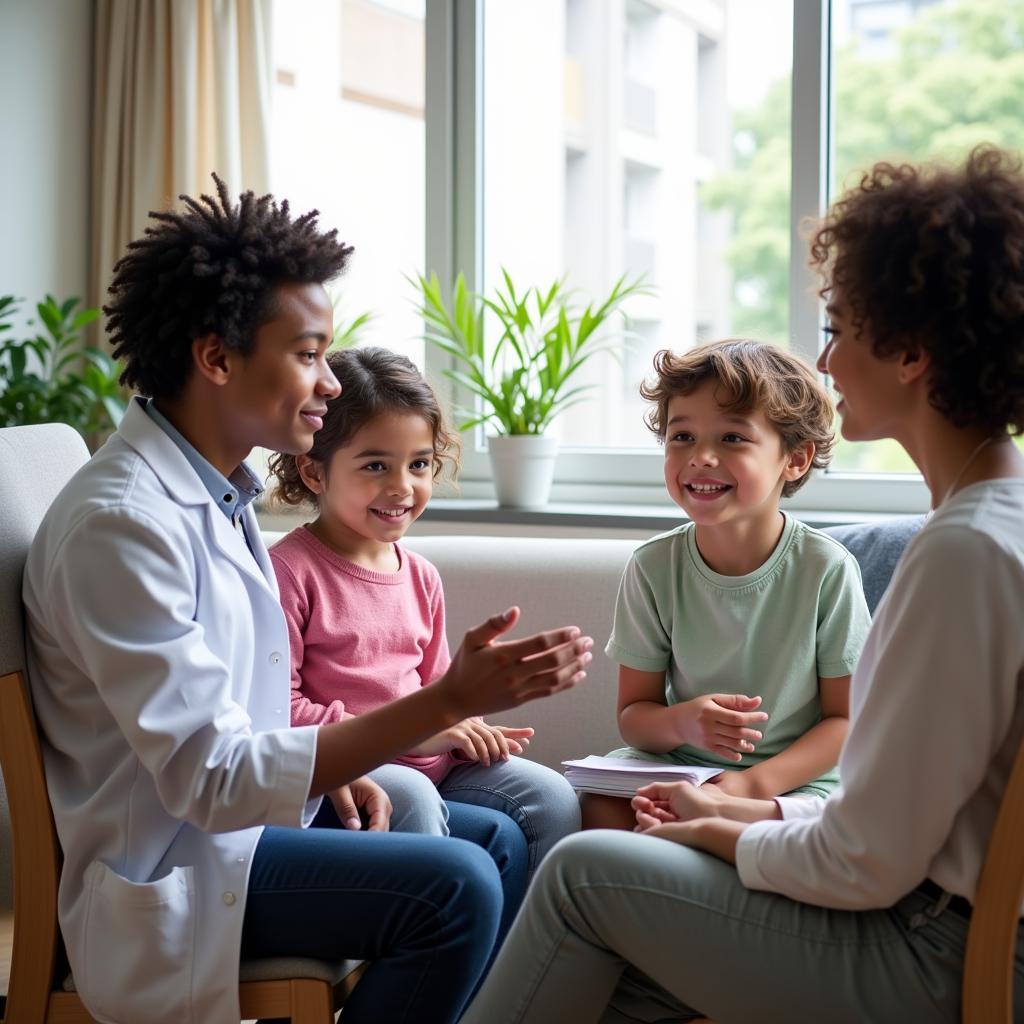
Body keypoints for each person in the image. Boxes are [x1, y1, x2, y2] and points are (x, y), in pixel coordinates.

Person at [463, 145, 1024, 1024]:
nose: (829, 364)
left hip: (933, 950)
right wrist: (711, 811)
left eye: (840, 328)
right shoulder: (1000, 523)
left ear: (911, 350)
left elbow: (865, 862)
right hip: (925, 910)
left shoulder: (962, 555)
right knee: (618, 962)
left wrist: (716, 830)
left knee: (580, 876)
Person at [21, 177, 593, 1024]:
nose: (329, 384)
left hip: (237, 831)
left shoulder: (216, 491)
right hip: (181, 860)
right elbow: (211, 780)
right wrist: (447, 701)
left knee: (501, 838)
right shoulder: (123, 525)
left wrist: (341, 768)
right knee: (456, 889)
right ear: (217, 357)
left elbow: (237, 716)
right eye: (309, 354)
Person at [265, 346, 580, 931]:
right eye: (375, 465)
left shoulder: (421, 575)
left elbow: (437, 688)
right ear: (314, 470)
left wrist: (467, 730)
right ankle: (418, 955)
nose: (402, 487)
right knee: (409, 795)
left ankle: (513, 981)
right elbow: (278, 712)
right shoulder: (288, 573)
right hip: (352, 769)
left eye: (419, 464)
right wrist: (424, 722)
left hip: (427, 758)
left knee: (550, 797)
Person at [580, 340, 871, 830]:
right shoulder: (653, 566)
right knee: (598, 806)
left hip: (793, 779)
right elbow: (634, 714)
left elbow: (845, 722)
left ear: (795, 459)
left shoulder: (827, 568)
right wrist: (682, 722)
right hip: (684, 771)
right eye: (683, 437)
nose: (701, 458)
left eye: (732, 438)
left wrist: (750, 786)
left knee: (819, 818)